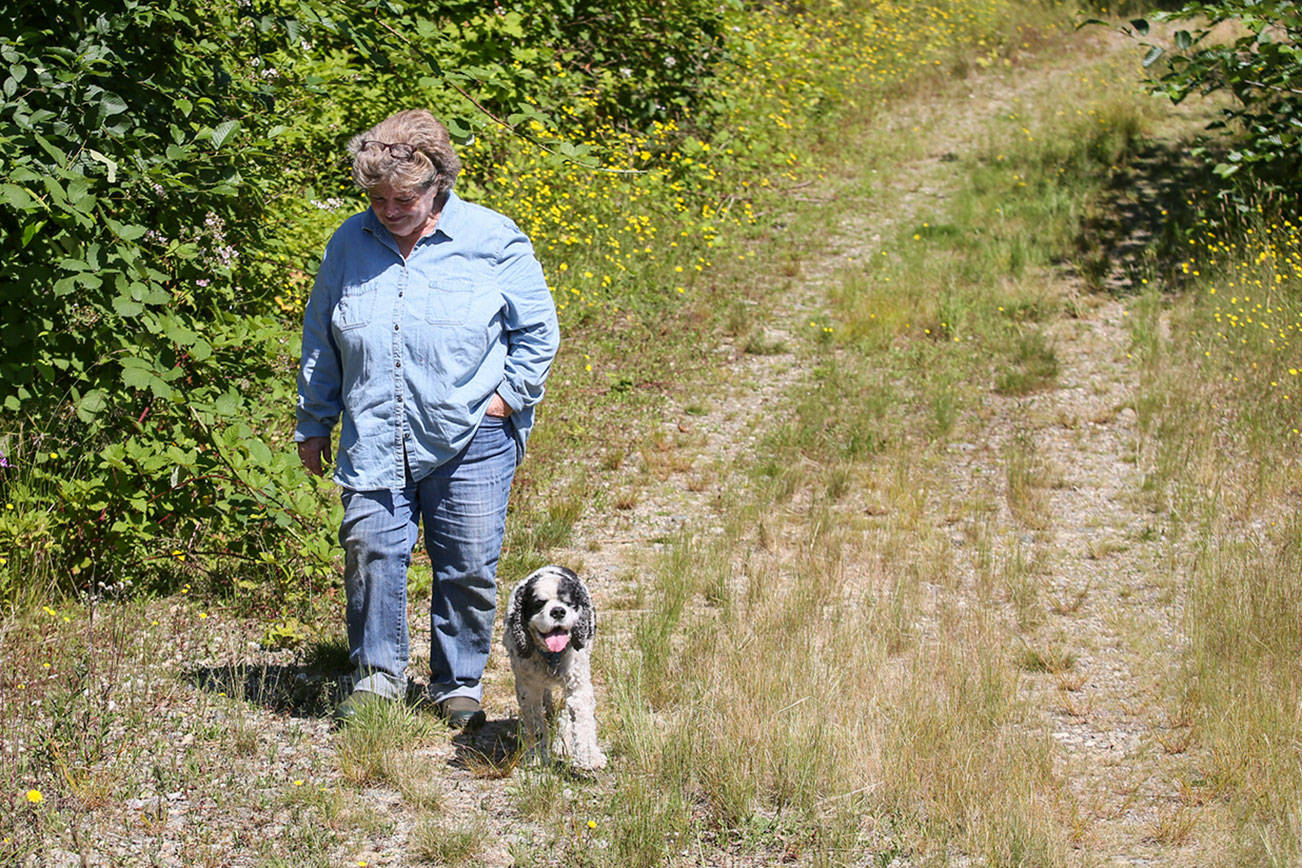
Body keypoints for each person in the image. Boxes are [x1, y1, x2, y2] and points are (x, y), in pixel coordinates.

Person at [295, 109, 560, 728]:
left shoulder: (492, 238)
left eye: (404, 197)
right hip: (374, 430)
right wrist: (314, 420)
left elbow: (538, 331)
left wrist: (508, 399)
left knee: (466, 563)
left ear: (439, 180)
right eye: (377, 197)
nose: (389, 209)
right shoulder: (348, 243)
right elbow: (322, 337)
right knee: (370, 550)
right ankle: (378, 678)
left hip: (472, 432)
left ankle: (456, 683)